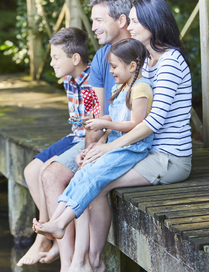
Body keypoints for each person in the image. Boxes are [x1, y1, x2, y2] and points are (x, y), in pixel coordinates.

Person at [71, 0, 193, 272]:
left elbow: (152, 122)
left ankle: (92, 263)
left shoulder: (170, 62)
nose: (131, 25)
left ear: (154, 22)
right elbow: (125, 115)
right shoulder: (147, 61)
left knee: (98, 185)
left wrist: (108, 148)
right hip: (145, 150)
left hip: (169, 159)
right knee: (90, 171)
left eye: (136, 21)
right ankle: (86, 262)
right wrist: (98, 145)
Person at [39, 0, 134, 271]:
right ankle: (69, 262)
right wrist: (90, 147)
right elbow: (96, 111)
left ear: (121, 20)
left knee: (63, 175)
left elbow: (123, 114)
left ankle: (83, 262)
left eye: (98, 20)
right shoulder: (104, 55)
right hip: (98, 136)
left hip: (121, 139)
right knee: (47, 173)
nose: (92, 28)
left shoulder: (138, 53)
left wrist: (93, 146)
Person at [33, 38, 154, 243]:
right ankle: (55, 220)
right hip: (116, 144)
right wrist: (99, 120)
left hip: (131, 148)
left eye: (114, 67)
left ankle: (61, 224)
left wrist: (105, 125)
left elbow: (136, 124)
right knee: (83, 172)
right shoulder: (123, 86)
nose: (111, 72)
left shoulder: (141, 88)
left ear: (132, 66)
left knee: (94, 176)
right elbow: (117, 117)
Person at [17, 27, 93, 266]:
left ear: (75, 58)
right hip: (74, 135)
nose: (51, 63)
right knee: (31, 171)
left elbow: (97, 127)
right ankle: (49, 234)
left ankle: (49, 241)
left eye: (55, 57)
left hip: (88, 138)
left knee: (49, 172)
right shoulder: (69, 79)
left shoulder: (93, 82)